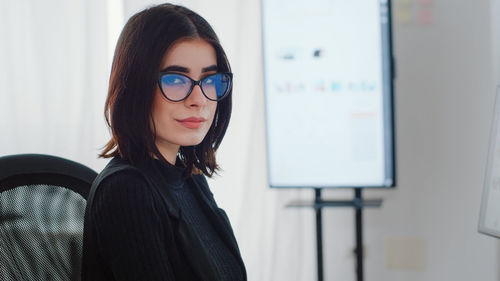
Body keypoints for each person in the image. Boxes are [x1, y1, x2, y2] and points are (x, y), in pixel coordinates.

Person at [81, 3, 246, 281]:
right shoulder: (127, 190)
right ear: (135, 87)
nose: (199, 100)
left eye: (209, 79)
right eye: (175, 80)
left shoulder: (188, 177)